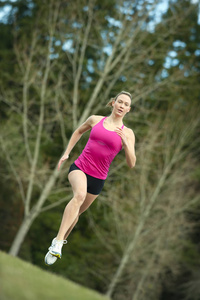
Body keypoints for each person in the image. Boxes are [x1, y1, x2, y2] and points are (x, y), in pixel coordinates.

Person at [44, 91, 136, 266]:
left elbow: (132, 163)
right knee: (78, 196)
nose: (122, 106)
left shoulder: (128, 133)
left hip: (98, 179)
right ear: (113, 103)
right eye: (120, 102)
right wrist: (66, 153)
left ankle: (59, 243)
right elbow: (78, 131)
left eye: (126, 104)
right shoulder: (95, 120)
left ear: (128, 110)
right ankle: (57, 243)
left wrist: (126, 144)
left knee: (76, 213)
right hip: (80, 168)